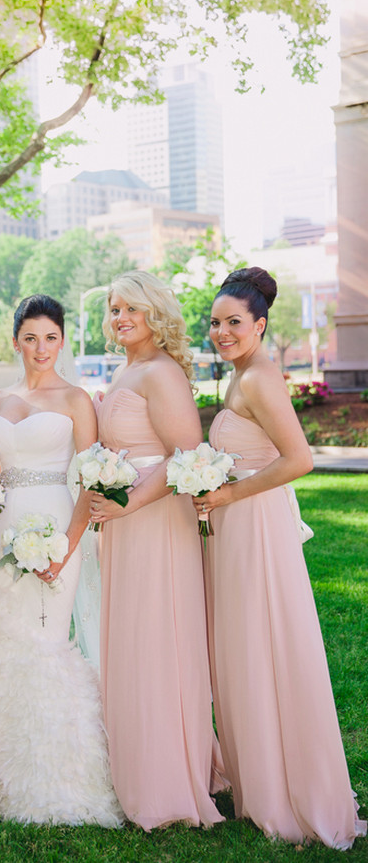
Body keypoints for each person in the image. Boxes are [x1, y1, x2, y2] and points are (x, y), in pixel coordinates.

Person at [193, 266, 366, 848]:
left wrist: (228, 494)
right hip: (236, 522)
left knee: (263, 644)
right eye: (215, 323)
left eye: (234, 323)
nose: (222, 332)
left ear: (260, 324)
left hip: (254, 523)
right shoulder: (239, 376)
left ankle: (287, 789)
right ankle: (258, 780)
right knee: (244, 648)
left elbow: (300, 460)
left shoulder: (260, 379)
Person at [0, 294, 122, 826]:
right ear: (15, 339)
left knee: (48, 643)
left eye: (52, 338)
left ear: (63, 340)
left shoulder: (76, 399)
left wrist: (66, 547)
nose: (42, 348)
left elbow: (92, 478)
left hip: (60, 529)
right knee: (1, 643)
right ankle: (0, 774)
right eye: (31, 337)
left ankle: (68, 777)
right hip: (4, 534)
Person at [90, 271, 224, 831]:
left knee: (157, 639)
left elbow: (186, 458)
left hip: (152, 520)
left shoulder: (162, 373)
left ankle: (168, 781)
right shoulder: (128, 368)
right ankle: (139, 760)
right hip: (123, 522)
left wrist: (127, 504)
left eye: (132, 310)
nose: (121, 318)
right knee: (131, 640)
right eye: (115, 309)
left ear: (155, 314)